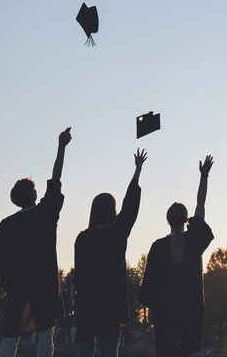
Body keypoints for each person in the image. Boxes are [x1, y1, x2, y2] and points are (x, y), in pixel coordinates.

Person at [0, 127, 72, 357]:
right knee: (46, 334)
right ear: (35, 195)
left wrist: (11, 281)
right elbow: (56, 179)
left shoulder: (6, 225)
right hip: (45, 283)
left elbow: (0, 264)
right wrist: (61, 147)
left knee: (10, 333)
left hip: (18, 285)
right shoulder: (45, 213)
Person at [72, 148, 147, 357]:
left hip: (87, 302)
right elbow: (130, 206)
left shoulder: (83, 238)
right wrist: (137, 171)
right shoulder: (117, 233)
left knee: (85, 350)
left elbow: (78, 271)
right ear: (112, 210)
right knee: (108, 351)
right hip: (111, 302)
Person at [138, 155, 215, 357]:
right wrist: (204, 176)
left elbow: (150, 282)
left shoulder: (158, 247)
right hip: (189, 313)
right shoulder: (194, 241)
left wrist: (151, 310)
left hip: (165, 314)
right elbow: (201, 205)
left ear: (167, 220)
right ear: (186, 219)